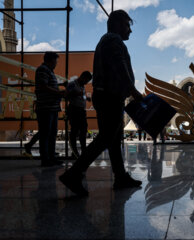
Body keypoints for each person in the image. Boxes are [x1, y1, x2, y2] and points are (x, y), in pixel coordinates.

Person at [59, 10, 143, 196]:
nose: (130, 30)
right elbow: (120, 67)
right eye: (127, 25)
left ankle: (120, 177)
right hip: (110, 96)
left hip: (108, 96)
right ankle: (74, 174)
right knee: (106, 138)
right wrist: (133, 91)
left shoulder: (107, 40)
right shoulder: (113, 40)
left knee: (113, 140)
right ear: (117, 24)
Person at [35, 51, 65, 167]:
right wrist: (58, 92)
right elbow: (43, 86)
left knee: (51, 134)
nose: (56, 64)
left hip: (51, 108)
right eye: (55, 61)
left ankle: (51, 157)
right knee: (46, 134)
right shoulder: (42, 70)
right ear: (50, 60)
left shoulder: (48, 71)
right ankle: (46, 159)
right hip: (45, 108)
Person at [66, 71, 93, 158]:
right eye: (86, 80)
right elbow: (67, 95)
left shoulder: (82, 86)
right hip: (74, 110)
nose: (86, 82)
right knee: (74, 130)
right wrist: (77, 93)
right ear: (82, 77)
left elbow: (81, 96)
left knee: (84, 129)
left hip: (81, 110)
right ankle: (74, 152)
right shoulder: (72, 84)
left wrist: (86, 98)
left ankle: (83, 149)